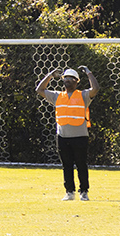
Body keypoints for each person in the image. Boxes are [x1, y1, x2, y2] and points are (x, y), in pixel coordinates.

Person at [38, 67, 98, 201]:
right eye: (66, 78)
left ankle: (84, 192)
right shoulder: (57, 96)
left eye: (71, 78)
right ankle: (69, 192)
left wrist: (89, 73)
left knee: (81, 165)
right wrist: (50, 75)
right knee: (67, 165)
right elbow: (40, 90)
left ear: (77, 81)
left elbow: (95, 89)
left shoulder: (83, 95)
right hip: (62, 137)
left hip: (80, 137)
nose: (68, 80)